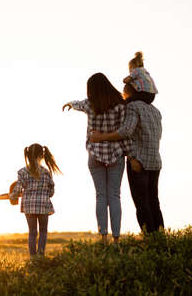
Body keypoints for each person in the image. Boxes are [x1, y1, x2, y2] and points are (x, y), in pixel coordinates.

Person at [62, 73, 132, 244]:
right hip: (116, 154)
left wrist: (70, 104)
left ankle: (103, 237)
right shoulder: (120, 105)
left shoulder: (89, 104)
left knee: (101, 196)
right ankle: (116, 240)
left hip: (94, 154)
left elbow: (78, 103)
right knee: (114, 196)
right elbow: (124, 134)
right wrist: (131, 154)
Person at [90, 83, 164, 234]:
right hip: (155, 161)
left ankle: (150, 240)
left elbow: (125, 131)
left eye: (124, 91)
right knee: (154, 202)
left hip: (139, 162)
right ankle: (161, 238)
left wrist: (101, 137)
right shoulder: (155, 110)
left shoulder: (132, 107)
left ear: (131, 92)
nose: (122, 95)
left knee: (142, 203)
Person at [9, 143, 61, 256]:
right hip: (43, 205)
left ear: (27, 155)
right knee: (43, 232)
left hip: (29, 206)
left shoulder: (23, 172)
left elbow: (17, 189)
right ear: (42, 155)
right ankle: (40, 256)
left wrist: (12, 196)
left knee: (32, 233)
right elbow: (51, 192)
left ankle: (33, 258)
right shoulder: (46, 172)